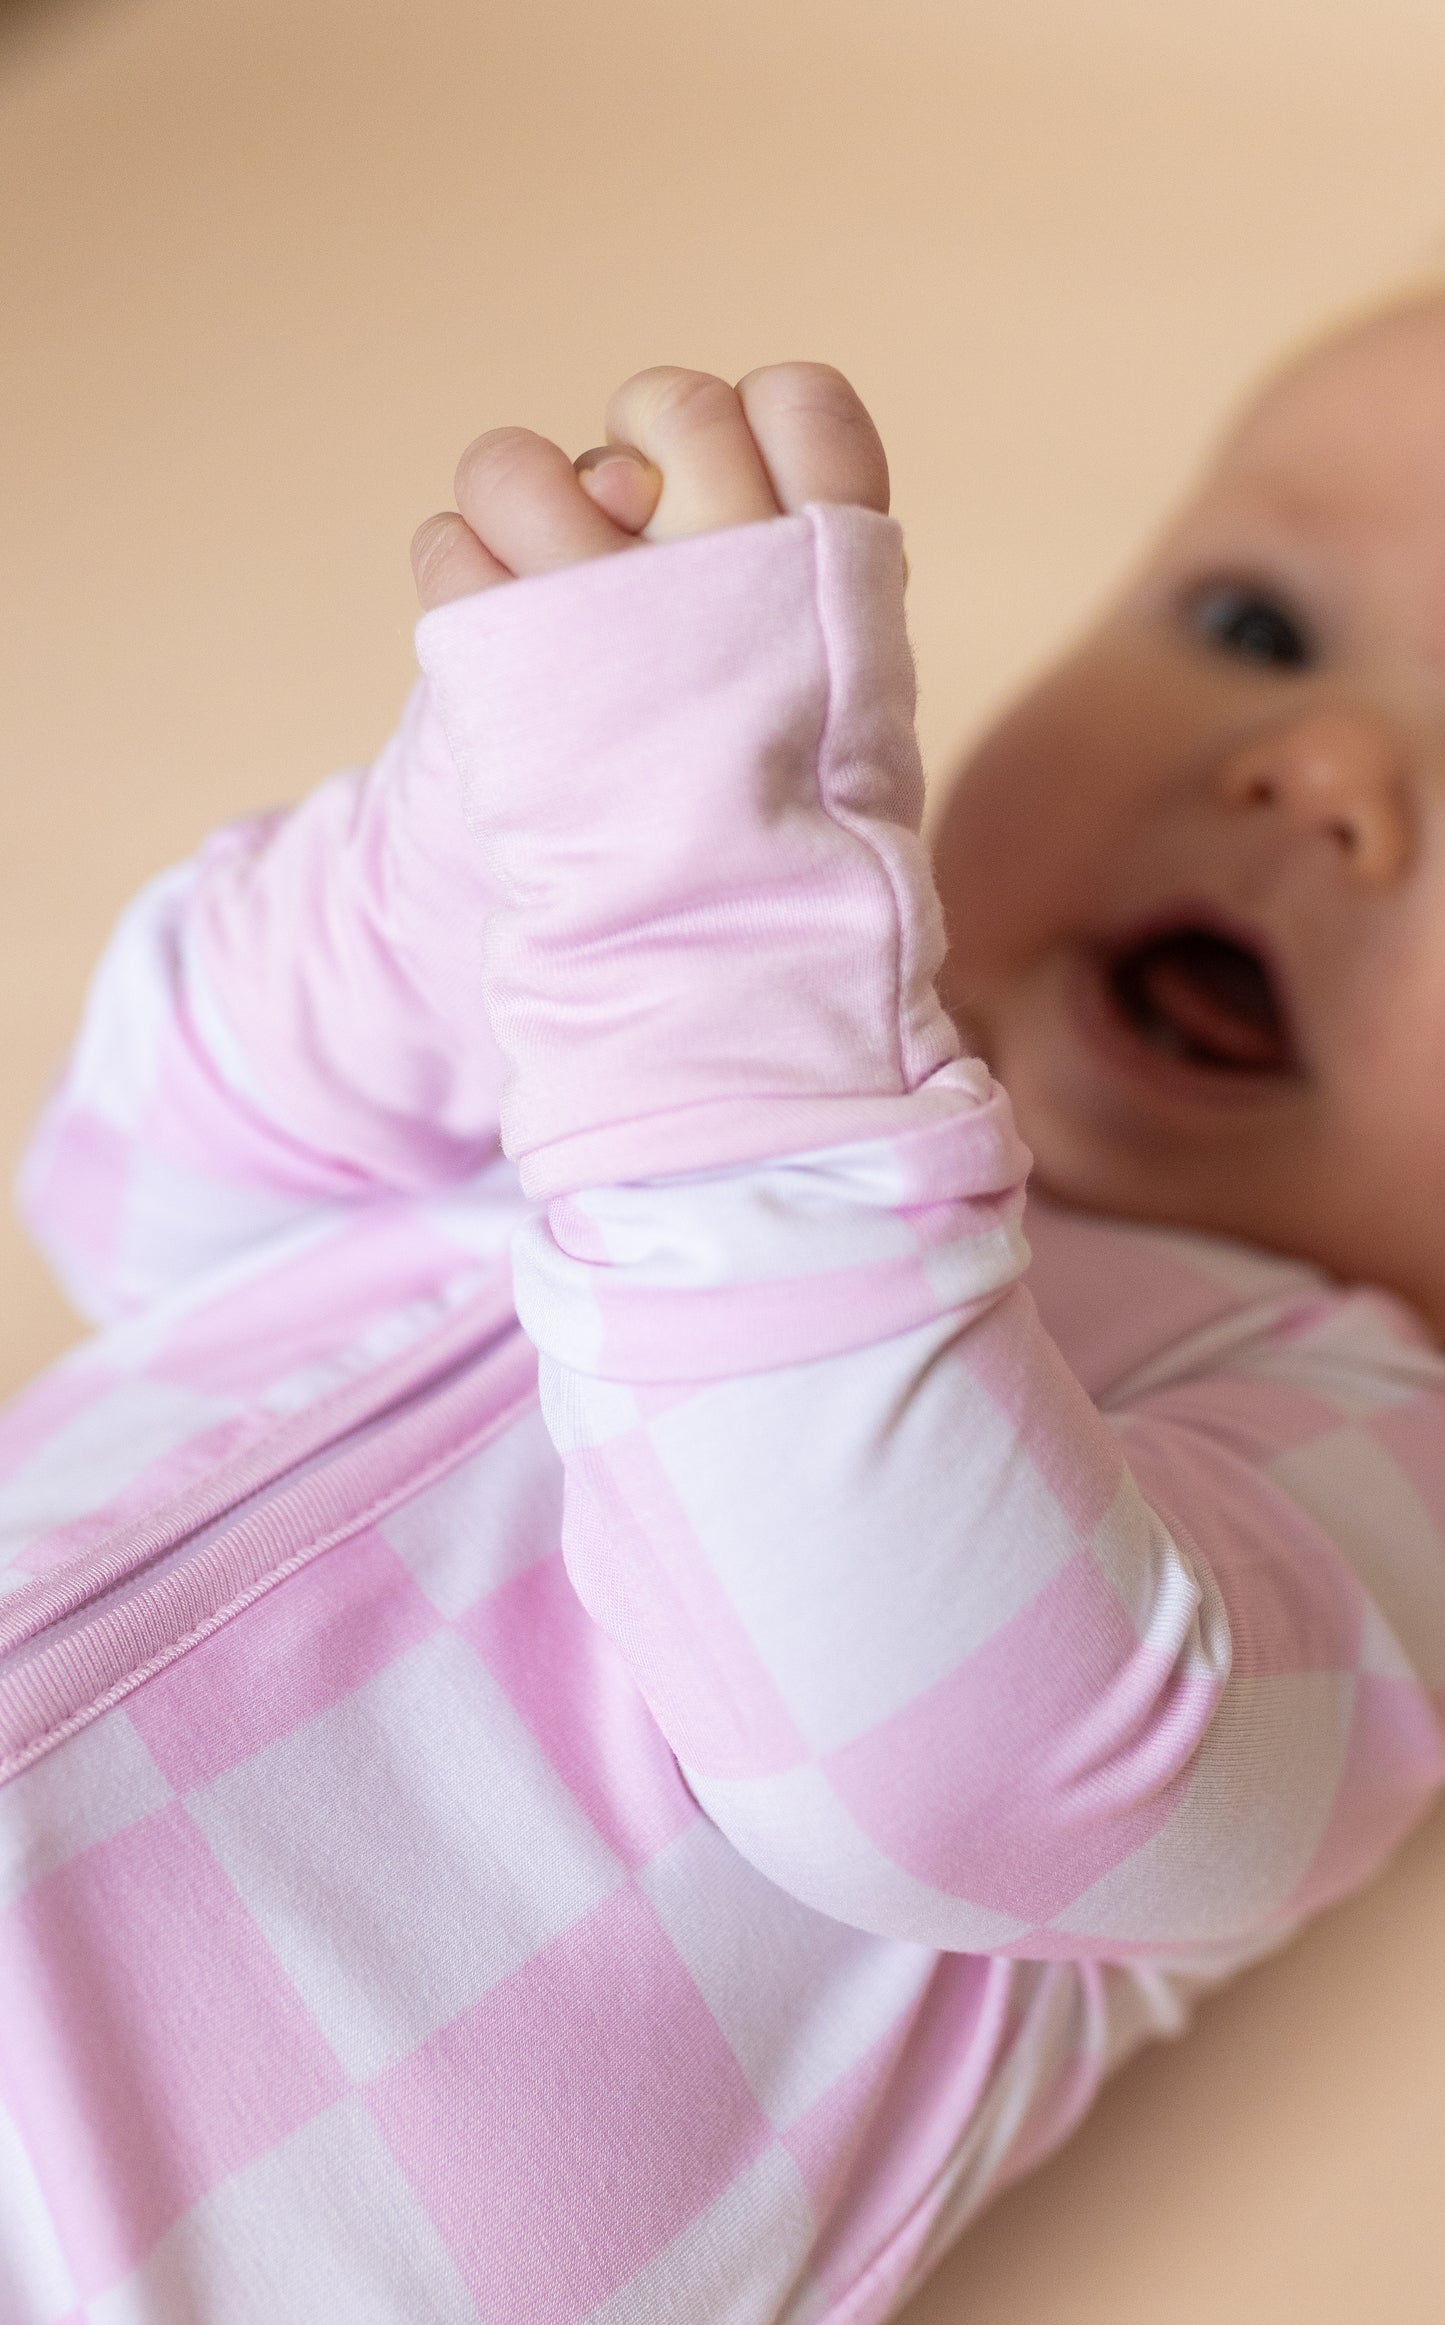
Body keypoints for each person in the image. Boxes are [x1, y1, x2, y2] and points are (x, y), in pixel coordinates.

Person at [2, 302, 1444, 2325]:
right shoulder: (668, 991)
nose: (1323, 768)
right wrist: (484, 857)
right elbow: (135, 1194)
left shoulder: (1356, 1434)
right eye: (1261, 624)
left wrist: (694, 935)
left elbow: (953, 1763)